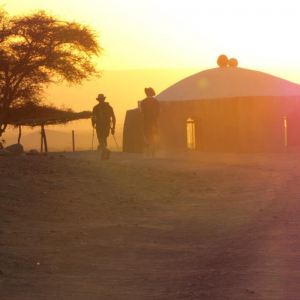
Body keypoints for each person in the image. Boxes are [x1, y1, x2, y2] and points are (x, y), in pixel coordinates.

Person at [91, 94, 116, 160]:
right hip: (107, 125)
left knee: (100, 139)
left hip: (100, 125)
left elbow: (93, 117)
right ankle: (104, 155)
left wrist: (93, 123)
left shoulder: (96, 107)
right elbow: (113, 117)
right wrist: (113, 127)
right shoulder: (109, 107)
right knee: (104, 139)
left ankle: (106, 151)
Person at [140, 87, 161, 157]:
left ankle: (148, 151)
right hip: (154, 122)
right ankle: (153, 151)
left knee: (147, 136)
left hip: (146, 121)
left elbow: (141, 112)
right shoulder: (156, 101)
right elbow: (159, 112)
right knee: (154, 136)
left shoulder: (143, 102)